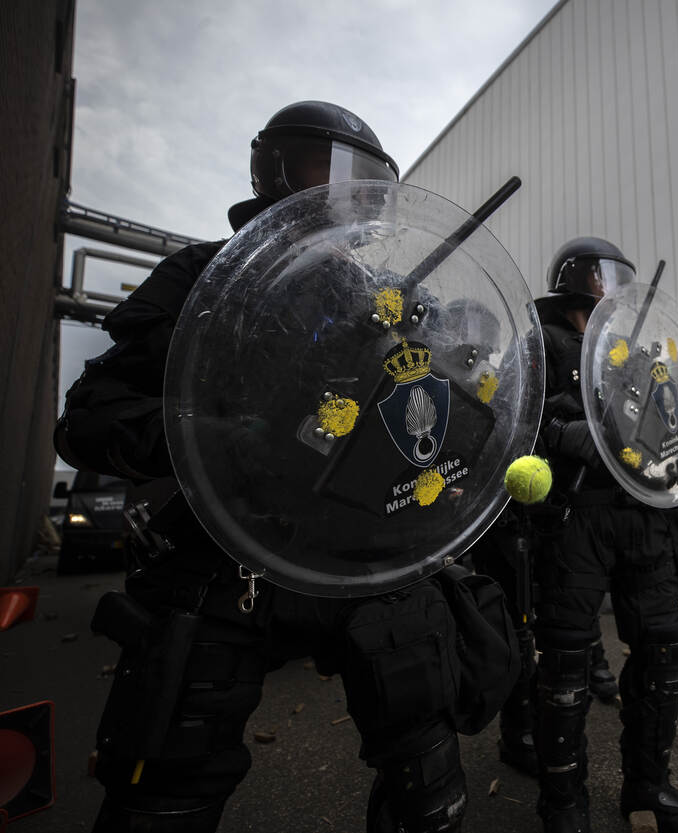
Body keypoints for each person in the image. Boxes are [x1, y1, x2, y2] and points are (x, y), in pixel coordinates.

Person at [55, 101, 483, 833]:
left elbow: (435, 414)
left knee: (429, 781)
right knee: (167, 786)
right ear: (277, 167)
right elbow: (89, 417)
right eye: (329, 167)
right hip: (229, 558)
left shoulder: (383, 300)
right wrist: (222, 438)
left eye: (365, 180)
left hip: (361, 553)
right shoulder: (206, 278)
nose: (345, 193)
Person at [529, 237, 678, 833]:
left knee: (663, 648)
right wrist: (563, 431)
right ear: (572, 284)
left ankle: (647, 786)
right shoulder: (545, 345)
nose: (609, 289)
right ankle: (562, 799)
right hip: (577, 516)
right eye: (599, 277)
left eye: (617, 278)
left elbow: (675, 419)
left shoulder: (642, 351)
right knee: (566, 659)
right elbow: (519, 415)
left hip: (644, 515)